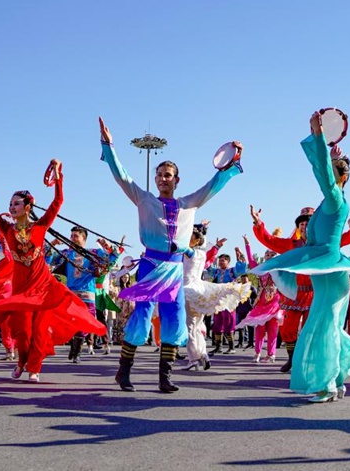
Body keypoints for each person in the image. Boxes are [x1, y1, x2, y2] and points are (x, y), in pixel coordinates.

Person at [99, 117, 243, 393]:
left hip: (175, 270)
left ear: (176, 180)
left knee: (175, 318)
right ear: (155, 179)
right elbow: (122, 176)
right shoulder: (144, 199)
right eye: (159, 175)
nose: (163, 179)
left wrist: (231, 161)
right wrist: (109, 146)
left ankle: (164, 377)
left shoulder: (190, 203)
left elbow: (214, 184)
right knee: (142, 315)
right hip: (151, 266)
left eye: (168, 175)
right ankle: (123, 372)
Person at [252, 112, 350, 403]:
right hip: (327, 270)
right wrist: (328, 152)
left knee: (322, 328)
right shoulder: (329, 202)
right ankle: (337, 379)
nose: (325, 173)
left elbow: (324, 176)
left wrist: (318, 136)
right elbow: (326, 173)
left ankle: (327, 384)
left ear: (340, 177)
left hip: (330, 271)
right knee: (326, 327)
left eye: (331, 170)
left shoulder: (335, 198)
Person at [0, 158, 105, 383]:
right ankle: (22, 361)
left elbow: (58, 200)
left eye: (16, 204)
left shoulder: (40, 227)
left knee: (39, 329)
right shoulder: (7, 229)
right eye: (10, 204)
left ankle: (34, 368)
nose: (12, 207)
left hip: (42, 286)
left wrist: (59, 177)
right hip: (21, 286)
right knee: (22, 330)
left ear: (28, 207)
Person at [251, 203, 350, 372]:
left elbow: (348, 237)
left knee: (311, 330)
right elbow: (269, 240)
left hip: (317, 294)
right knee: (288, 329)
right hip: (295, 294)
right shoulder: (292, 245)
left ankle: (307, 361)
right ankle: (292, 359)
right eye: (302, 224)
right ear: (298, 228)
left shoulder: (325, 245)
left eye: (309, 223)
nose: (305, 226)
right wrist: (258, 223)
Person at [181, 222, 249, 371]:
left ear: (196, 240)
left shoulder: (190, 252)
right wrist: (205, 232)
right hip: (199, 289)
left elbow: (178, 246)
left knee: (191, 327)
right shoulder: (201, 254)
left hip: (189, 291)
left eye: (190, 237)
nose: (187, 239)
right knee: (197, 326)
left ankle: (194, 358)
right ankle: (203, 354)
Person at [46, 227, 118, 362]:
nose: (72, 238)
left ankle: (77, 352)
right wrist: (54, 243)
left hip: (87, 294)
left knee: (84, 323)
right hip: (70, 293)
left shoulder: (93, 253)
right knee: (69, 322)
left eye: (76, 236)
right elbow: (48, 258)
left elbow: (113, 257)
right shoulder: (66, 253)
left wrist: (107, 246)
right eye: (71, 235)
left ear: (83, 238)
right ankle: (74, 346)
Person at [237, 235, 282, 363]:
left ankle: (271, 354)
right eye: (266, 254)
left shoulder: (279, 270)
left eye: (271, 254)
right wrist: (248, 245)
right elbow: (251, 261)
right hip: (261, 302)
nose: (268, 256)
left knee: (273, 329)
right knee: (260, 329)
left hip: (274, 301)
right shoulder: (261, 270)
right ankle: (257, 353)